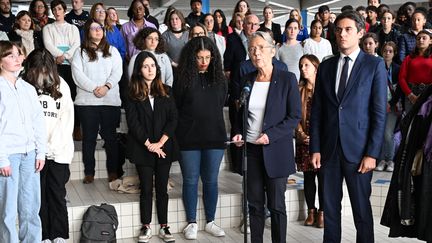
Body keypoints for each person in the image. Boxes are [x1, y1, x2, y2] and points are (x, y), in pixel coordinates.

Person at [310, 10, 387, 243]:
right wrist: (315, 147)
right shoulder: (326, 67)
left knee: (361, 211)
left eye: (348, 30)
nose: (342, 34)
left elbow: (379, 114)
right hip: (329, 149)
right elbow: (317, 112)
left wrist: (372, 153)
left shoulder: (374, 65)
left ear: (360, 33)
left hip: (359, 151)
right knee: (330, 210)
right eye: (339, 30)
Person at [231, 31, 301, 243]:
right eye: (252, 49)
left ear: (273, 50)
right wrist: (238, 132)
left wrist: (269, 136)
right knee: (254, 205)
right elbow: (240, 113)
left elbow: (294, 116)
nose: (256, 52)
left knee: (276, 206)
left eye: (261, 47)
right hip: (251, 151)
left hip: (276, 151)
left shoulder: (287, 79)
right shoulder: (247, 79)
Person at [173, 37, 227, 240]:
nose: (204, 61)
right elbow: (176, 108)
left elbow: (220, 104)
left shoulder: (220, 79)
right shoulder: (182, 79)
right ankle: (192, 223)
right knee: (190, 180)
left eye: (207, 57)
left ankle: (211, 221)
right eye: (199, 58)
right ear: (191, 58)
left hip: (215, 137)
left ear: (213, 57)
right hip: (188, 138)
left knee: (211, 181)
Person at [22, 48, 74, 243]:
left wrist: (50, 148)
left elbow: (66, 121)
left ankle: (59, 235)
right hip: (34, 153)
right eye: (38, 69)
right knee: (38, 197)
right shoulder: (24, 87)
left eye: (46, 69)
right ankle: (43, 236)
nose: (42, 74)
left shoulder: (63, 87)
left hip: (58, 151)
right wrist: (38, 150)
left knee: (57, 194)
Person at [125, 51, 177, 243]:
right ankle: (146, 226)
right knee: (146, 188)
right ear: (139, 70)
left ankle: (164, 226)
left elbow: (173, 119)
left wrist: (160, 143)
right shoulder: (132, 93)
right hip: (143, 148)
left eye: (153, 65)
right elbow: (133, 123)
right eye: (146, 66)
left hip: (164, 148)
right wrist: (150, 145)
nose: (150, 69)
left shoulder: (167, 90)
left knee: (162, 189)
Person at [0, 40, 46, 243]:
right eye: (11, 55)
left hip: (30, 155)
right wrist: (1, 158)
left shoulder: (28, 88)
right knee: (8, 211)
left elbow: (38, 122)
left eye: (19, 54)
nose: (18, 58)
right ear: (0, 62)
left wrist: (41, 152)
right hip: (9, 156)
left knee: (30, 208)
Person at [71, 19, 122, 184]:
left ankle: (113, 172)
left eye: (99, 28)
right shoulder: (79, 52)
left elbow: (117, 72)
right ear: (87, 32)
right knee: (89, 139)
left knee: (111, 139)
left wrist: (106, 87)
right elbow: (77, 75)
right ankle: (89, 173)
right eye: (93, 28)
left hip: (109, 101)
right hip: (87, 103)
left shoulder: (112, 51)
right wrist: (94, 88)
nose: (97, 31)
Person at [43, 0, 80, 139]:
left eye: (59, 9)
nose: (57, 12)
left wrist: (65, 56)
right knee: (56, 95)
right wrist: (59, 56)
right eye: (54, 9)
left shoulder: (73, 28)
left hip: (70, 65)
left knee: (72, 96)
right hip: (55, 66)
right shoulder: (48, 28)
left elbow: (76, 44)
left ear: (64, 11)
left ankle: (75, 128)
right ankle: (56, 127)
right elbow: (48, 44)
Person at [295, 54, 324, 228]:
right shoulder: (298, 89)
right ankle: (311, 211)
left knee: (323, 177)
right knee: (308, 177)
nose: (303, 68)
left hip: (320, 141)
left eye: (306, 65)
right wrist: (301, 134)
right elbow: (294, 114)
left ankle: (322, 212)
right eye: (301, 66)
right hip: (303, 139)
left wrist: (317, 138)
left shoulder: (325, 88)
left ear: (315, 66)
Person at [375, 41, 402, 172]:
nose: (387, 53)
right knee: (379, 133)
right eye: (385, 51)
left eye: (390, 51)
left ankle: (390, 160)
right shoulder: (378, 66)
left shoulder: (397, 68)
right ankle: (381, 160)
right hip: (379, 104)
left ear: (395, 53)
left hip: (393, 105)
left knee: (387, 133)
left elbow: (400, 88)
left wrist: (391, 103)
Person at [398, 29, 432, 112]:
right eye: (418, 38)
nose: (421, 40)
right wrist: (410, 95)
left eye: (424, 38)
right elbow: (401, 78)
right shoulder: (409, 58)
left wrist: (427, 94)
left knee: (425, 123)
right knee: (409, 122)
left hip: (429, 93)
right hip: (411, 93)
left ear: (431, 40)